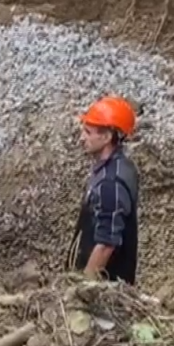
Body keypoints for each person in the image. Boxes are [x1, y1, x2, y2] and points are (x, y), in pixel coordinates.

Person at [67, 96, 141, 285]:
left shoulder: (111, 182)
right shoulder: (117, 168)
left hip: (103, 289)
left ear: (107, 137)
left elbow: (106, 243)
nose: (81, 138)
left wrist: (84, 287)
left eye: (88, 132)